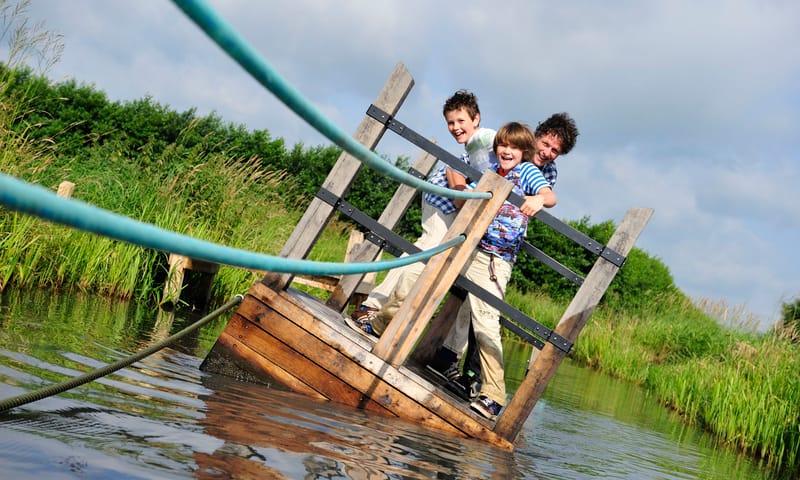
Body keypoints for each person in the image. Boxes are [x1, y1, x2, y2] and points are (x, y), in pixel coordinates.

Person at [431, 112, 579, 399]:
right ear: (535, 138)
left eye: (554, 151)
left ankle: (479, 381)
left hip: (499, 244)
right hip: (473, 229)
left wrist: (536, 200)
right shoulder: (506, 152)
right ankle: (446, 360)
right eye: (545, 144)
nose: (547, 153)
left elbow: (546, 197)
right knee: (455, 290)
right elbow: (469, 167)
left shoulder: (542, 172)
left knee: (485, 309)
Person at [349, 89, 497, 334]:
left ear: (476, 119)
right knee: (424, 251)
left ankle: (382, 310)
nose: (455, 127)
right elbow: (456, 171)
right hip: (442, 200)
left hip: (455, 207)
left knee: (426, 255)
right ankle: (372, 305)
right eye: (450, 122)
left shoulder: (480, 144)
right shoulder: (479, 143)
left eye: (461, 121)